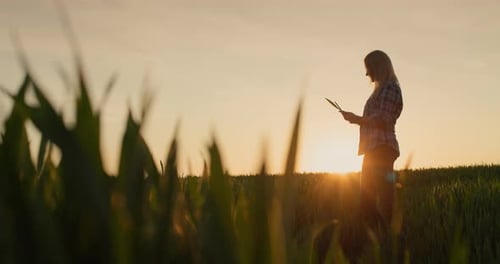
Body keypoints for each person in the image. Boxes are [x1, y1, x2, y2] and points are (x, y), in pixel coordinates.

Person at [340, 50, 403, 235]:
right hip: (374, 149)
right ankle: (379, 236)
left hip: (382, 148)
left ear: (378, 67)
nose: (367, 74)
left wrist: (356, 119)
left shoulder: (390, 88)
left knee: (382, 198)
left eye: (368, 69)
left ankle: (388, 236)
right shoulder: (381, 89)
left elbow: (383, 120)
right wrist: (355, 119)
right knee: (368, 199)